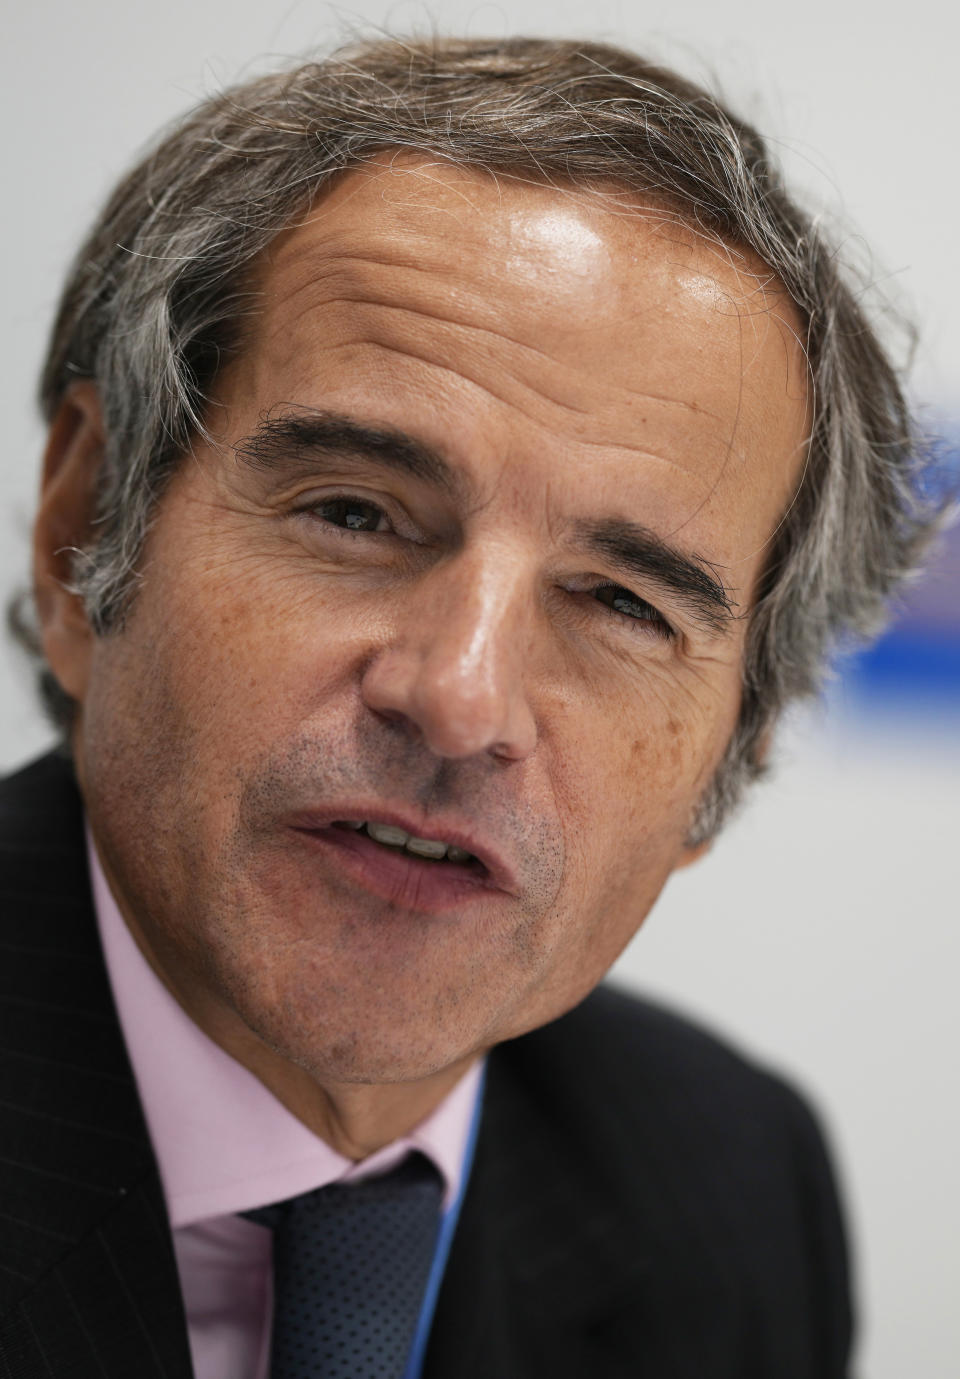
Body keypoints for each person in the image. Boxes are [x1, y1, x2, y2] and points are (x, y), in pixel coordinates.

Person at [0, 34, 940, 1379]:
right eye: (356, 514)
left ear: (736, 746)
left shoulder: (730, 1188)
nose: (458, 700)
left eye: (622, 602)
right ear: (85, 538)